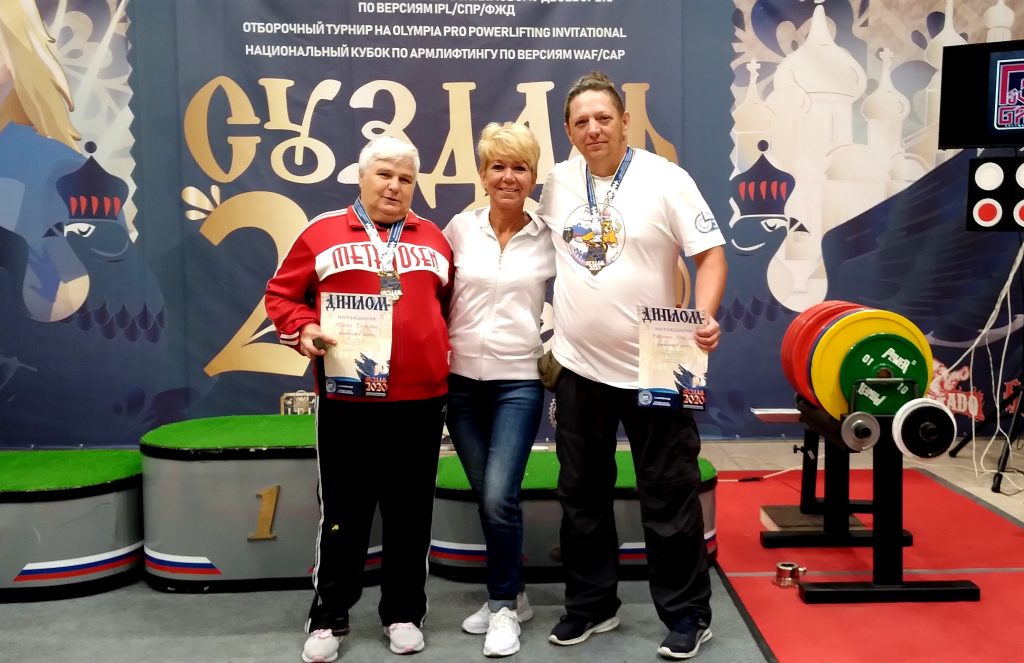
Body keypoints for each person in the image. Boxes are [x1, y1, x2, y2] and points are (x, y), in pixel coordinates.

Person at [536, 71, 727, 660]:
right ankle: (592, 605)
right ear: (568, 131)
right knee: (580, 493)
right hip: (578, 366)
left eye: (603, 118)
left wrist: (703, 315)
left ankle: (688, 613)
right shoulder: (557, 183)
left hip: (657, 364)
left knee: (668, 492)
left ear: (624, 121)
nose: (593, 129)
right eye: (581, 121)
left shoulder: (667, 179)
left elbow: (711, 256)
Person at [265, 135, 453, 662]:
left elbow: (446, 307)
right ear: (361, 176)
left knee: (410, 513)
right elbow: (282, 295)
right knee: (343, 513)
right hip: (348, 399)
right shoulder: (322, 232)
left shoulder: (435, 239)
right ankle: (329, 616)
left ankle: (403, 613)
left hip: (420, 401)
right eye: (384, 175)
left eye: (405, 178)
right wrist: (304, 328)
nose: (395, 186)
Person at [442, 122, 555, 657]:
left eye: (520, 167)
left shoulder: (550, 236)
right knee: (491, 499)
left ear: (533, 176)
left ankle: (503, 605)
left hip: (519, 383)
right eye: (498, 167)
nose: (509, 177)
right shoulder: (459, 230)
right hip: (460, 384)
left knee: (497, 496)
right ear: (483, 174)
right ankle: (516, 594)